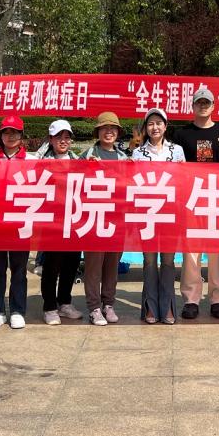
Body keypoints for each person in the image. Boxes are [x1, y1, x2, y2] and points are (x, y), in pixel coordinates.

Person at [170, 87, 219, 320]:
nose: (203, 106)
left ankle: (218, 299)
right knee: (191, 251)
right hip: (191, 199)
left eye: (207, 102)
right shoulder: (181, 135)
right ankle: (191, 299)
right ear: (193, 106)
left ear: (214, 106)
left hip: (218, 198)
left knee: (217, 251)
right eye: (199, 102)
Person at [131, 107, 185, 325]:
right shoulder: (138, 153)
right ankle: (151, 307)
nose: (155, 127)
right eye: (151, 123)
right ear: (146, 128)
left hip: (171, 212)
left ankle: (168, 306)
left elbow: (183, 181)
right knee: (150, 261)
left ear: (166, 126)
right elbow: (134, 182)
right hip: (148, 213)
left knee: (169, 261)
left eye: (159, 123)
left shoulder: (177, 151)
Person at [81, 112, 129, 327]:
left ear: (118, 132)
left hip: (116, 218)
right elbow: (74, 182)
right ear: (98, 132)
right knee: (93, 265)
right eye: (104, 128)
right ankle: (94, 307)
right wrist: (88, 168)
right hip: (94, 217)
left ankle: (108, 303)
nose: (109, 132)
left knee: (112, 263)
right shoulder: (88, 155)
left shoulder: (123, 158)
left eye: (113, 128)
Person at [36, 119, 84, 325]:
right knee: (52, 264)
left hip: (73, 219)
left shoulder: (78, 160)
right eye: (58, 137)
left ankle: (64, 301)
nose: (63, 141)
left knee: (71, 263)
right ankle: (49, 306)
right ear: (51, 139)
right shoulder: (41, 161)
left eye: (67, 137)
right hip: (51, 221)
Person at [0, 114, 30, 330]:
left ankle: (18, 310)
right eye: (6, 132)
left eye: (15, 132)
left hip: (21, 222)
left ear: (22, 135)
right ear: (0, 135)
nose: (10, 136)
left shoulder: (32, 160)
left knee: (19, 269)